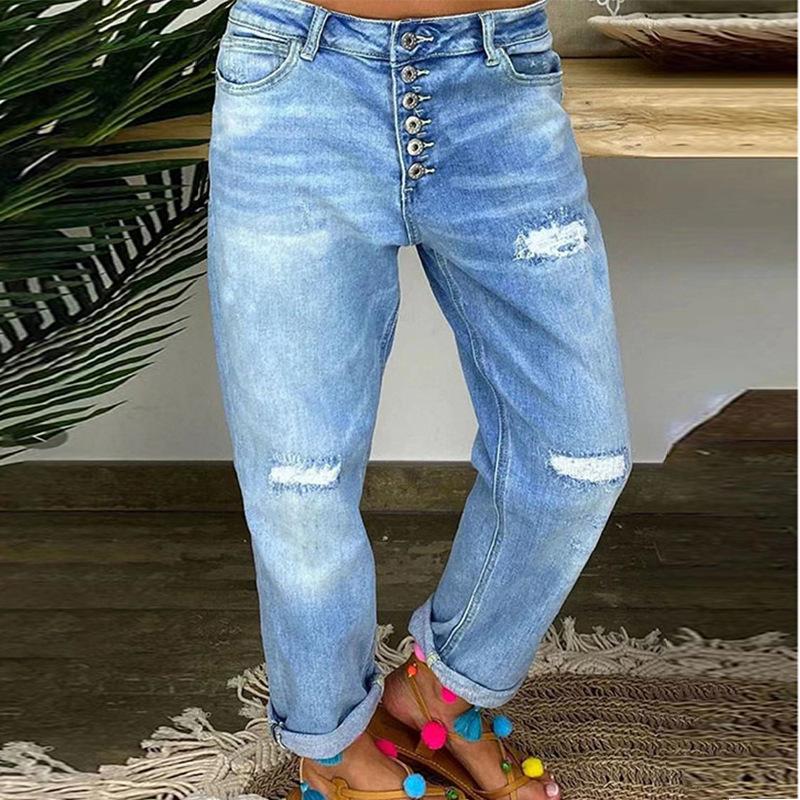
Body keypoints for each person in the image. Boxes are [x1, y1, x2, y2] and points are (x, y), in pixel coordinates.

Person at [207, 0, 630, 797]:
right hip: (298, 82)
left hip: (497, 83)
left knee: (579, 460)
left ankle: (441, 691)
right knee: (300, 483)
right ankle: (332, 747)